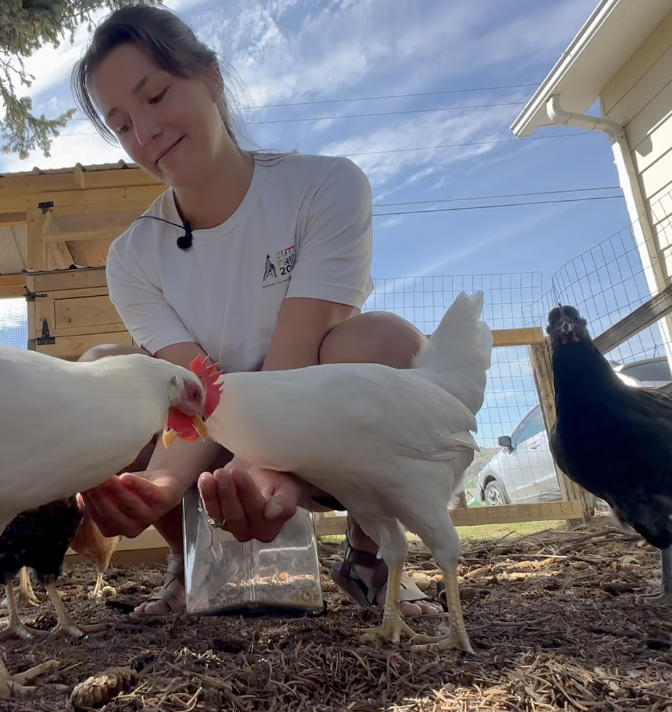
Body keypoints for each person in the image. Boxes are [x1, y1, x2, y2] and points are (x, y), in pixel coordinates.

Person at [71, 3, 443, 619]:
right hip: (212, 441)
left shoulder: (325, 188)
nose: (147, 132)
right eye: (123, 125)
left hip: (315, 421)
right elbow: (195, 392)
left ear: (211, 78)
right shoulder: (133, 258)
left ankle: (372, 558)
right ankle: (190, 562)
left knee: (388, 346)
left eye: (157, 95)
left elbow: (299, 354)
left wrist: (267, 468)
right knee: (103, 370)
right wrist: (160, 487)